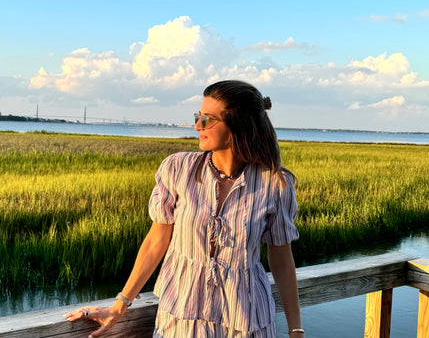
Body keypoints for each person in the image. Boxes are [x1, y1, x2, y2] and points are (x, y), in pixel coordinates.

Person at [64, 80, 303, 338]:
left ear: (239, 125)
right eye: (198, 116)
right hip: (180, 316)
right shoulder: (178, 169)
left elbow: (281, 259)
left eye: (208, 119)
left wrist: (296, 329)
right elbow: (157, 241)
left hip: (245, 319)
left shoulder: (275, 184)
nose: (197, 126)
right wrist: (120, 305)